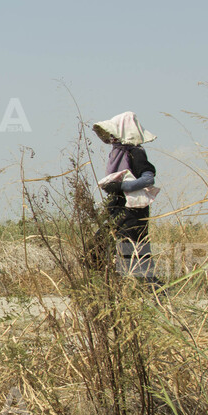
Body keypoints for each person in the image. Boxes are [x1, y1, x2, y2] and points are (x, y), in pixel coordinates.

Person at [92, 111, 159, 287]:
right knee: (99, 243)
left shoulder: (135, 153)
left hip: (133, 210)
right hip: (119, 208)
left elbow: (148, 178)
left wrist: (121, 187)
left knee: (134, 252)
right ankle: (104, 284)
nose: (111, 138)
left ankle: (155, 292)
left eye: (113, 134)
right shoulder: (118, 154)